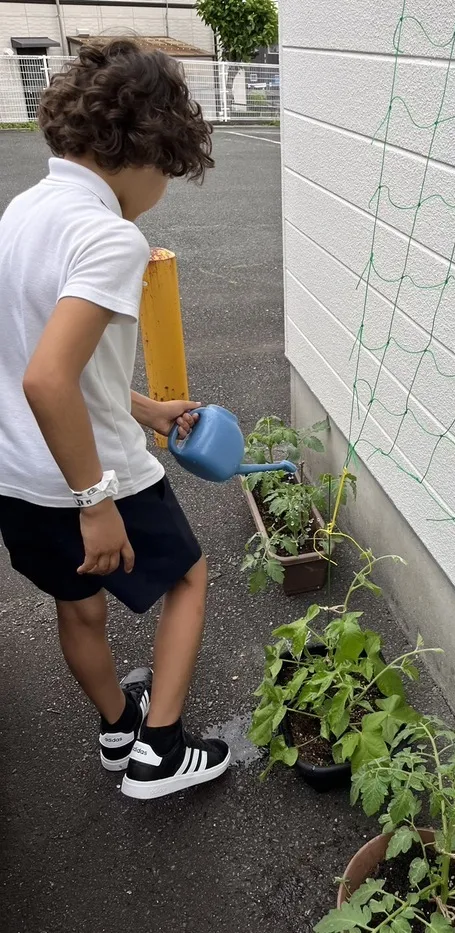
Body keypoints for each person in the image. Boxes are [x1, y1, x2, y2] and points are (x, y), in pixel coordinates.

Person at [0, 38, 230, 799]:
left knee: (79, 603)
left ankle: (117, 727)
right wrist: (96, 500)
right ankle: (160, 751)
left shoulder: (23, 211)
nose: (164, 184)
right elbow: (47, 377)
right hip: (86, 477)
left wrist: (147, 408)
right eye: (167, 167)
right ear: (142, 149)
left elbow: (41, 361)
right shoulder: (109, 235)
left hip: (17, 476)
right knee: (190, 578)